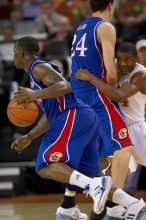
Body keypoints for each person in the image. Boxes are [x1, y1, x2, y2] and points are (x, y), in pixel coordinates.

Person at [11, 37, 146, 220]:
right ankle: (133, 204)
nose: (13, 56)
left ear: (20, 52)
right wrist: (29, 136)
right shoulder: (37, 76)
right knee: (88, 175)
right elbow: (50, 116)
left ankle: (92, 189)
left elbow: (64, 86)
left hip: (75, 115)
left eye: (13, 52)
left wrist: (34, 95)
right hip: (83, 118)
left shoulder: (38, 67)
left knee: (45, 164)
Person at [60, 0, 134, 219]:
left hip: (77, 93)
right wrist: (116, 93)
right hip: (96, 94)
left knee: (93, 154)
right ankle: (115, 207)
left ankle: (68, 205)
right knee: (122, 148)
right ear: (111, 5)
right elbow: (111, 73)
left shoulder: (81, 27)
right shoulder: (105, 27)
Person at [76, 42, 146, 218]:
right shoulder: (112, 71)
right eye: (120, 59)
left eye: (127, 60)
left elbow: (119, 95)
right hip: (116, 132)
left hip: (136, 130)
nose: (123, 64)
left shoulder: (141, 74)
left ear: (136, 59)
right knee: (113, 180)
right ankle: (114, 211)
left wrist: (90, 77)